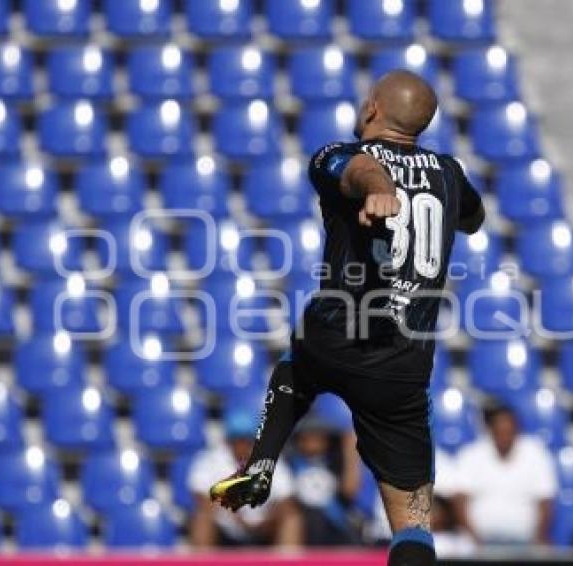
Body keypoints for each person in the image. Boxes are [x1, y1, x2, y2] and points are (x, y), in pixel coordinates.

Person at [209, 69, 485, 566]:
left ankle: (261, 464)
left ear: (372, 109)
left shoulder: (332, 155)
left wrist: (379, 186)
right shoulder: (450, 172)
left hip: (336, 335)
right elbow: (473, 215)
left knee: (297, 367)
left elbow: (356, 169)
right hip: (402, 368)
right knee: (414, 521)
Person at [189, 406, 302, 548]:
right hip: (225, 530)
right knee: (202, 518)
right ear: (229, 441)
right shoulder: (211, 460)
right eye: (237, 440)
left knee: (291, 517)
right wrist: (233, 515)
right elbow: (201, 497)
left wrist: (268, 519)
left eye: (247, 439)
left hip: (265, 527)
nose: (242, 445)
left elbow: (286, 499)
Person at [452, 404, 557, 547]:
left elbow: (545, 501)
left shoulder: (536, 454)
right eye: (500, 432)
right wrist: (475, 540)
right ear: (490, 431)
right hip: (479, 543)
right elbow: (459, 502)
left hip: (526, 543)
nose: (505, 437)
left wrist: (538, 539)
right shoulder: (471, 455)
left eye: (509, 432)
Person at [287, 413, 361, 545]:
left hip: (334, 526)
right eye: (306, 437)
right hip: (304, 526)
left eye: (317, 437)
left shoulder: (335, 464)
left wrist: (350, 451)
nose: (312, 443)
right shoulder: (290, 463)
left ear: (326, 440)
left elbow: (349, 490)